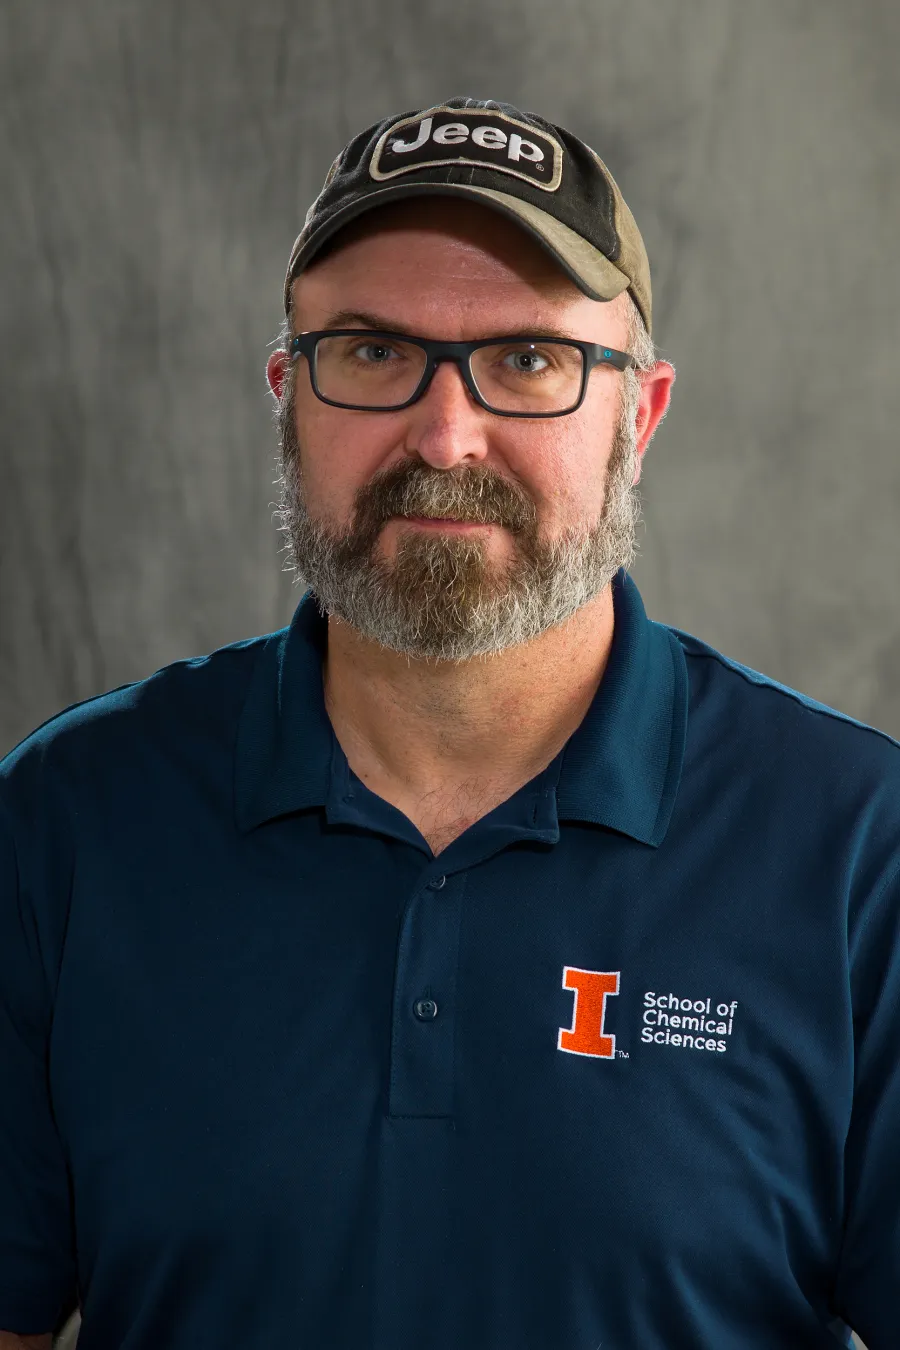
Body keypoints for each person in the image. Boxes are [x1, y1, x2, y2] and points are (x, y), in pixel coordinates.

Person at [0, 96, 895, 1350]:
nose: (444, 434)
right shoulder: (65, 821)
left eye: (530, 360)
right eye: (370, 352)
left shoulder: (860, 849)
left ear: (639, 418)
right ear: (287, 397)